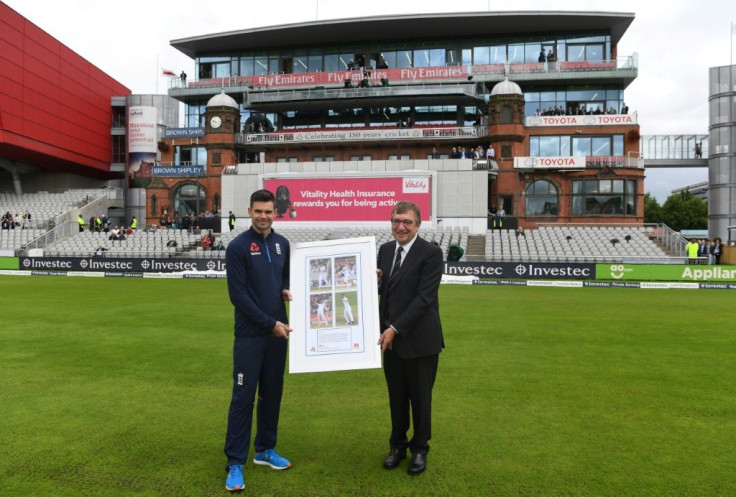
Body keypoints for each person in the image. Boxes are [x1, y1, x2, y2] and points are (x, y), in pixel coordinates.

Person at [223, 189, 293, 492]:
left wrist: (288, 290)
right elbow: (237, 296)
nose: (263, 216)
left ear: (275, 212)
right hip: (252, 336)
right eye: (258, 211)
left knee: (272, 394)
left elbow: (285, 279)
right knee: (243, 397)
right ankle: (235, 462)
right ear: (249, 211)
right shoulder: (238, 247)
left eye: (269, 212)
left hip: (279, 336)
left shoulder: (282, 245)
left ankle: (265, 449)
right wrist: (269, 324)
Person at [376, 201, 444, 476]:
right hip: (390, 343)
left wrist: (393, 329)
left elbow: (423, 300)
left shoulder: (431, 253)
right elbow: (384, 293)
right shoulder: (384, 250)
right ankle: (397, 445)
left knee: (420, 399)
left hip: (419, 341)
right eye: (396, 221)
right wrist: (376, 282)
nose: (400, 226)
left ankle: (419, 449)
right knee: (396, 397)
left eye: (406, 222)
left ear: (418, 224)